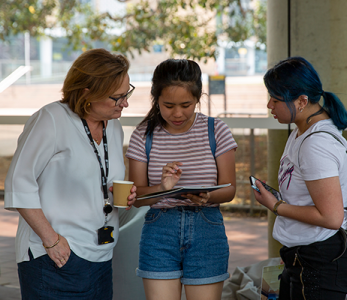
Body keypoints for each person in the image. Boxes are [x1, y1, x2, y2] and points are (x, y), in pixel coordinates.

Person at [4, 48, 137, 300]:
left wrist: (121, 195)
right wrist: (52, 241)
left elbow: (101, 181)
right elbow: (18, 183)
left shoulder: (114, 126)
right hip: (55, 257)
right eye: (117, 97)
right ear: (87, 92)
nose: (125, 103)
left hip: (101, 255)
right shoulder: (51, 119)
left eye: (127, 93)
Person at [126, 58, 237, 300]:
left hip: (207, 228)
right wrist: (162, 187)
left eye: (186, 105)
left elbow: (229, 190)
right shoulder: (143, 134)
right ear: (156, 99)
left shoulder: (216, 130)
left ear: (198, 98)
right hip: (159, 230)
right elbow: (136, 198)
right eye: (168, 105)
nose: (177, 113)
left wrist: (207, 196)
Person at [253, 56, 347, 299]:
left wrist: (276, 205)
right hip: (304, 255)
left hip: (320, 258)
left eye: (276, 99)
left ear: (302, 101)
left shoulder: (316, 143)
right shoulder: (302, 131)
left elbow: (332, 218)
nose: (270, 105)